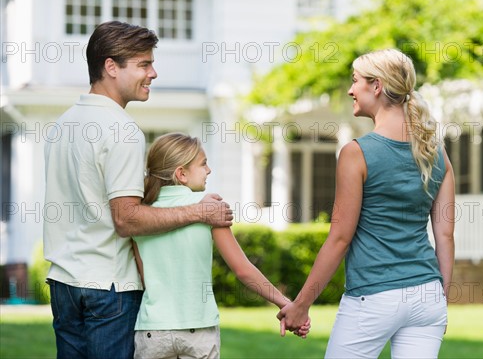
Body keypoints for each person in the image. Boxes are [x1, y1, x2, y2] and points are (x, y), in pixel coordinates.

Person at [43, 21, 233, 359]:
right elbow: (127, 220)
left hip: (64, 285)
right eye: (143, 64)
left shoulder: (63, 124)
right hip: (109, 288)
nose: (153, 73)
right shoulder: (123, 130)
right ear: (111, 67)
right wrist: (200, 211)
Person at [277, 48, 455, 358]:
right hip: (428, 295)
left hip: (374, 296)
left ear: (377, 86)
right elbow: (446, 236)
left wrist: (301, 305)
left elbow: (340, 237)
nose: (350, 90)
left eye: (355, 81)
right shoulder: (436, 154)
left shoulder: (356, 153)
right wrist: (441, 299)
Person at [132, 132, 310, 358]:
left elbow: (144, 276)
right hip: (198, 329)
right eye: (203, 164)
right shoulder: (210, 210)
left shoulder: (140, 216)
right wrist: (286, 304)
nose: (209, 170)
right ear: (182, 174)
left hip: (152, 331)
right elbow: (243, 270)